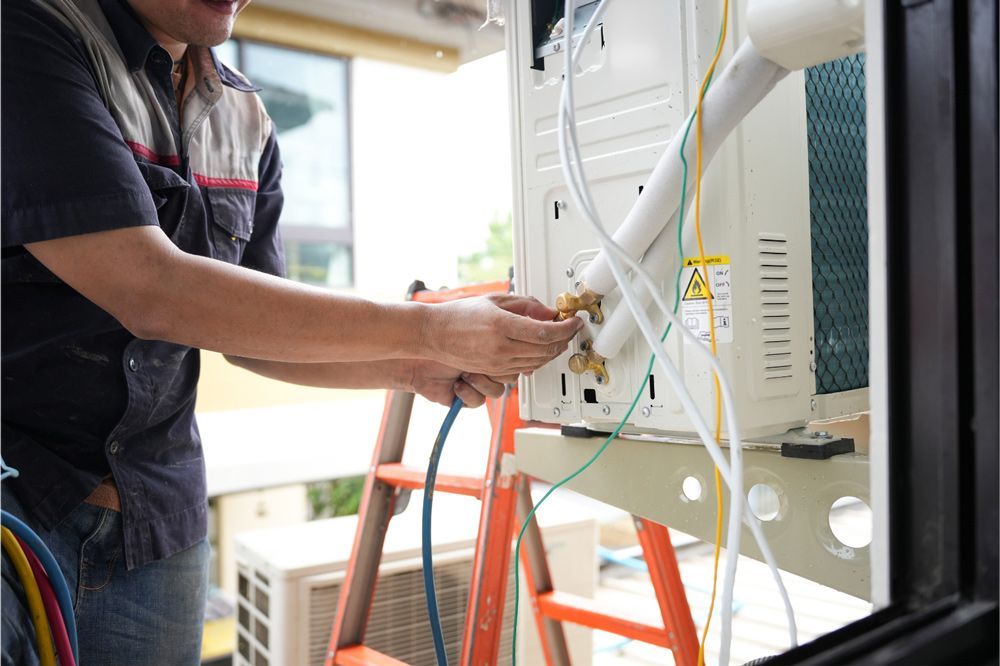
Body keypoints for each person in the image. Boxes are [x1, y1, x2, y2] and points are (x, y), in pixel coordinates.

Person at [0, 0, 583, 662]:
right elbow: (147, 286)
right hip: (18, 505)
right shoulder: (30, 33)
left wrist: (409, 367)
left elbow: (248, 337)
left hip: (159, 525)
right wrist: (429, 332)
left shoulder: (244, 118)